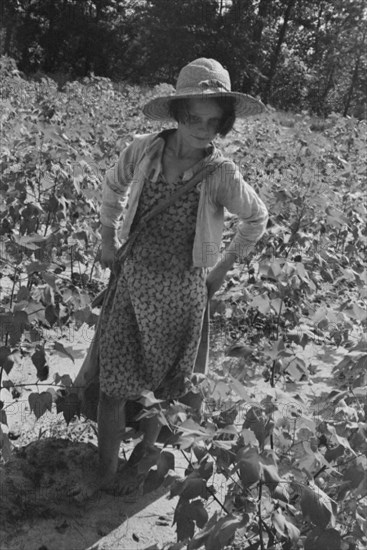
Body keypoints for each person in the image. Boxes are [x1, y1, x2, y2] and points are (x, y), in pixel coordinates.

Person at [75, 58, 268, 498]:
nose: (203, 129)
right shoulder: (145, 150)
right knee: (113, 386)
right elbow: (112, 186)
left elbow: (256, 219)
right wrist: (107, 239)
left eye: (213, 121)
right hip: (132, 283)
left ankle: (143, 458)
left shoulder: (221, 174)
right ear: (178, 115)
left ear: (224, 123)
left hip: (181, 294)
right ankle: (105, 471)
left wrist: (219, 271)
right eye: (194, 118)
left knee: (162, 390)